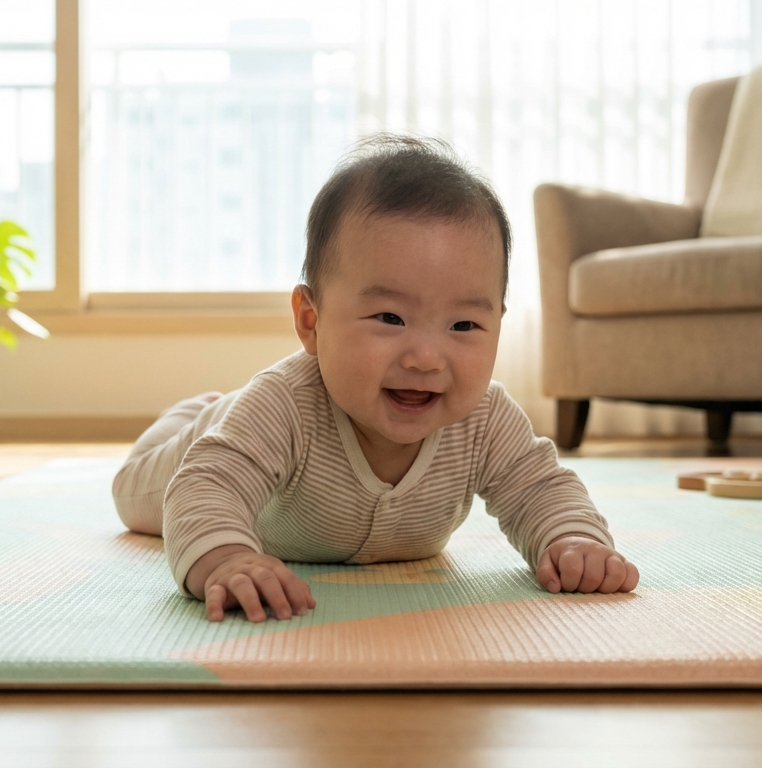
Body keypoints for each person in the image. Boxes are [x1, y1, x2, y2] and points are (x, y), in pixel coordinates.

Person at [113, 134, 639, 623]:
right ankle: (188, 416)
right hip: (211, 442)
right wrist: (227, 559)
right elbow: (206, 487)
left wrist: (574, 540)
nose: (426, 357)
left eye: (464, 325)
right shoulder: (283, 408)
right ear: (310, 321)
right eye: (390, 318)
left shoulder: (485, 421)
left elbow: (540, 489)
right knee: (134, 496)